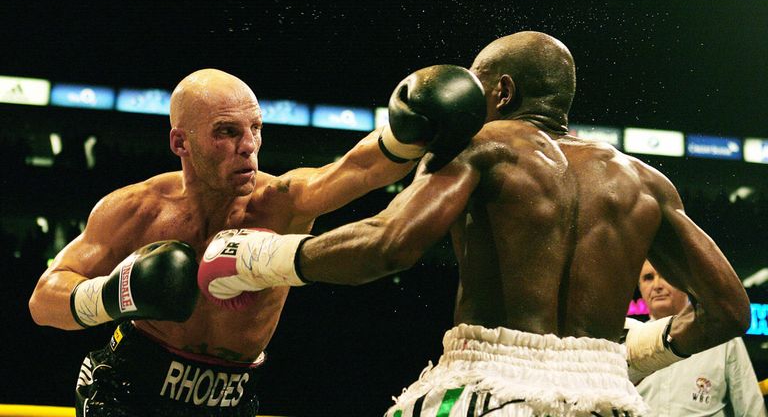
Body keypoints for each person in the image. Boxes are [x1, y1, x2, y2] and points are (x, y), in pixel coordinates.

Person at [198, 32, 752, 417]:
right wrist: (621, 355)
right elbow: (730, 310)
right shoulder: (646, 183)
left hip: (490, 386)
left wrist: (255, 259)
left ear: (501, 92)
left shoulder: (481, 145)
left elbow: (388, 246)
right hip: (609, 395)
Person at [26, 67, 438, 416]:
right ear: (180, 143)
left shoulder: (282, 204)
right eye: (226, 131)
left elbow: (359, 169)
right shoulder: (137, 208)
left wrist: (407, 132)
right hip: (130, 389)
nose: (248, 146)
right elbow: (43, 301)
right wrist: (115, 294)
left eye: (256, 128)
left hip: (232, 399)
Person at [635, 260, 766, 416]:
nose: (657, 285)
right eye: (648, 278)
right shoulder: (629, 343)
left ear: (685, 282)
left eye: (666, 276)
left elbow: (752, 409)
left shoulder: (721, 339)